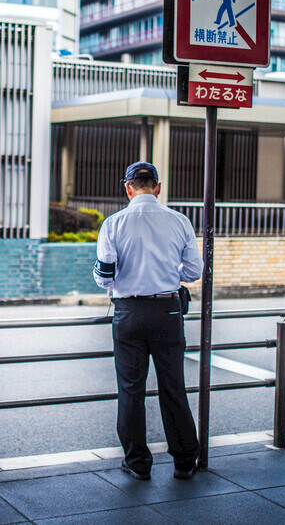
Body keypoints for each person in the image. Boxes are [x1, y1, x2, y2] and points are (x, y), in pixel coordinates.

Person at [93, 161, 204, 480]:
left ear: (128, 188)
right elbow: (194, 271)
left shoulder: (113, 224)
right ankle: (184, 461)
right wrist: (168, 272)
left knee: (131, 390)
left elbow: (104, 276)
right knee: (173, 387)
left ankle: (138, 463)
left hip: (128, 314)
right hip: (168, 312)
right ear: (157, 187)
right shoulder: (179, 220)